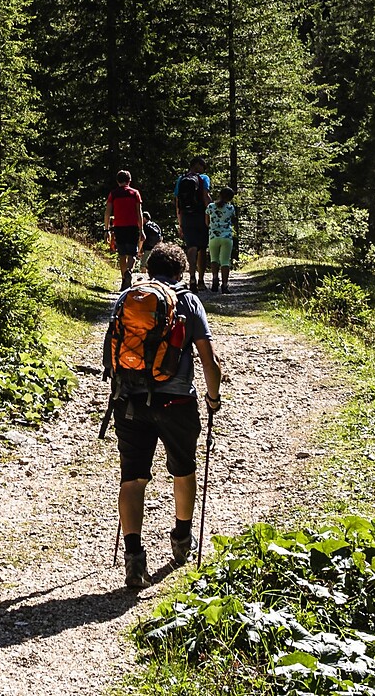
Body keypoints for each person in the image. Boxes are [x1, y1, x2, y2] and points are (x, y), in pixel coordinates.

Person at [107, 241, 223, 590]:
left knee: (132, 478)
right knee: (183, 469)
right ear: (181, 272)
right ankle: (182, 540)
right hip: (176, 402)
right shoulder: (188, 301)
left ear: (148, 268)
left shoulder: (127, 298)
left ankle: (133, 558)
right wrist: (213, 398)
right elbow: (209, 361)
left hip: (130, 400)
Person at [173, 158, 212, 292]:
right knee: (202, 248)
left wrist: (180, 222)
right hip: (201, 216)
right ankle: (201, 280)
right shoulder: (203, 178)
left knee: (191, 246)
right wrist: (211, 216)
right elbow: (205, 196)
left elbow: (178, 202)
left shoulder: (181, 179)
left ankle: (192, 278)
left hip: (186, 216)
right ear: (197, 165)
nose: (204, 169)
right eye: (203, 166)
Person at [107, 169, 145, 290]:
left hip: (119, 226)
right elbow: (139, 213)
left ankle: (124, 278)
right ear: (129, 180)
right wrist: (141, 229)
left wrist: (106, 229)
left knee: (122, 254)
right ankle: (129, 271)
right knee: (132, 253)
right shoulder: (135, 193)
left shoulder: (113, 194)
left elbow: (107, 212)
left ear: (117, 181)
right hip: (132, 226)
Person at [206, 186, 238, 293]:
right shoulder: (231, 208)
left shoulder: (210, 207)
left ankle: (215, 279)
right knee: (225, 261)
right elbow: (232, 220)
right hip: (227, 237)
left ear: (219, 194)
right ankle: (225, 285)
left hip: (213, 237)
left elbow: (207, 222)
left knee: (214, 259)